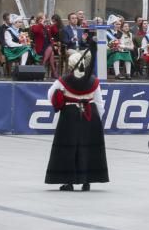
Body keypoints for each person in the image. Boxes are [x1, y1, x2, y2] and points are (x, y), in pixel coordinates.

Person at [45, 50, 109, 191]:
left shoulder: (63, 81)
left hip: (70, 114)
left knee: (68, 148)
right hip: (90, 113)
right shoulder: (94, 81)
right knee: (89, 147)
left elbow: (51, 94)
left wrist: (61, 103)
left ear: (70, 65)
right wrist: (99, 118)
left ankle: (68, 181)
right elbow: (99, 102)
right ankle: (87, 181)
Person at [106, 15, 134, 80]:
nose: (118, 26)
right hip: (108, 50)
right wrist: (112, 46)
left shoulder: (120, 33)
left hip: (118, 49)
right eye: (116, 24)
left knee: (127, 53)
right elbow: (105, 45)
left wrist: (121, 46)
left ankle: (128, 74)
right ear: (111, 24)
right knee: (116, 54)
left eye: (119, 24)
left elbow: (122, 43)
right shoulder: (106, 33)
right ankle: (117, 74)